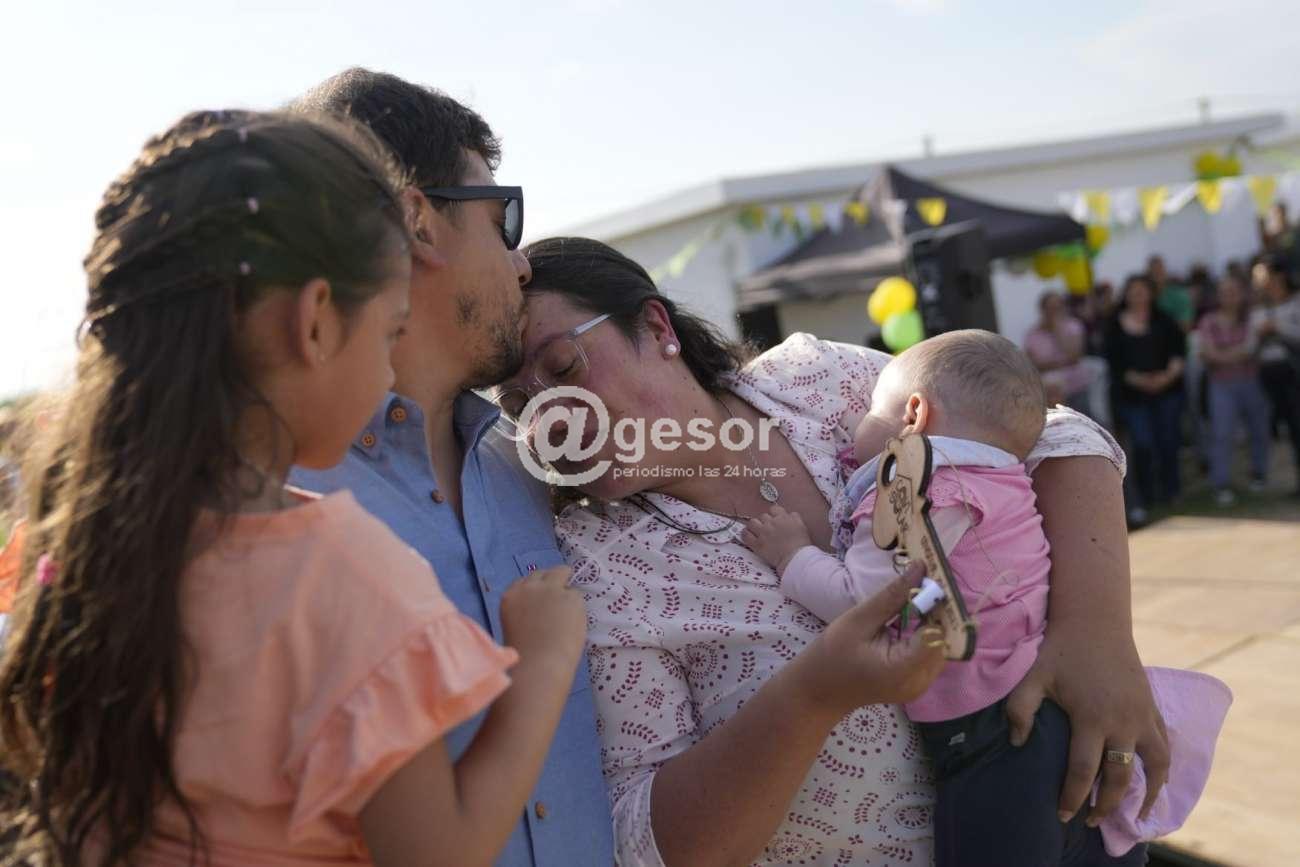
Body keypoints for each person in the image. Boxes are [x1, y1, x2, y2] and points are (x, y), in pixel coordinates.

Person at [0, 111, 587, 866]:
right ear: (314, 325)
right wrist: (540, 663)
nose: (388, 370)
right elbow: (438, 853)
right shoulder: (344, 570)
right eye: (388, 331)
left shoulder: (90, 549)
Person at [497, 237, 1170, 866]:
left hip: (1077, 808)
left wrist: (1097, 632)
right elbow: (643, 842)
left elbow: (1045, 430)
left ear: (655, 327)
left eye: (563, 366)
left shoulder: (813, 378)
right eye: (519, 404)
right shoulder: (599, 568)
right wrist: (813, 696)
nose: (549, 412)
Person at [287, 69, 615, 864]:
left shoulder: (534, 466)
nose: (523, 263)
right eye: (503, 218)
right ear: (420, 222)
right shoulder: (282, 508)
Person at [744, 330, 1229, 866]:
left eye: (870, 413)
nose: (853, 429)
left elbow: (865, 601)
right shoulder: (1002, 478)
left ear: (914, 414)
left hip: (992, 734)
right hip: (1049, 713)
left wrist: (792, 556)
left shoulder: (918, 488)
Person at [1105, 274, 1187, 521]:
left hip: (1167, 391)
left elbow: (1179, 351)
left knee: (1168, 440)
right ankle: (1147, 493)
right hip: (1133, 396)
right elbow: (1114, 362)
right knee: (1142, 443)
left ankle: (1172, 489)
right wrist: (1140, 381)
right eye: (1133, 290)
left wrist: (1166, 377)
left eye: (1142, 290)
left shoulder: (1164, 320)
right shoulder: (1114, 325)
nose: (1138, 295)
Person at [1198, 276, 1271, 505]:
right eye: (1225, 291)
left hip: (1251, 381)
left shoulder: (1251, 318)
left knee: (1259, 429)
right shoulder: (1208, 321)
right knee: (1222, 433)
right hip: (1221, 384)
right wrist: (1237, 354)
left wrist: (1222, 355)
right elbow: (1209, 353)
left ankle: (1259, 474)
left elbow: (1250, 349)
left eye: (1233, 291)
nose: (1229, 296)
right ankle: (1220, 483)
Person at [1251, 255, 1300, 495]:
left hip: (1293, 373)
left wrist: (1277, 327)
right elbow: (1250, 344)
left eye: (1263, 276)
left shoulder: (1295, 302)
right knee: (1281, 429)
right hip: (1267, 374)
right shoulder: (1258, 309)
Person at [1025, 291, 1095, 416]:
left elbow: (1074, 356)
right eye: (1050, 308)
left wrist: (1058, 330)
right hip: (1051, 392)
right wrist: (1061, 363)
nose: (1054, 312)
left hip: (1075, 385)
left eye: (1058, 307)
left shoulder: (1074, 326)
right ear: (1042, 310)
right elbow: (1032, 365)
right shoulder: (1033, 334)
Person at [1148, 255, 1194, 333]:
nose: (1156, 274)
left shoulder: (1179, 295)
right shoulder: (1145, 297)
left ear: (1165, 272)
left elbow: (1186, 325)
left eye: (1159, 270)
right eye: (1153, 271)